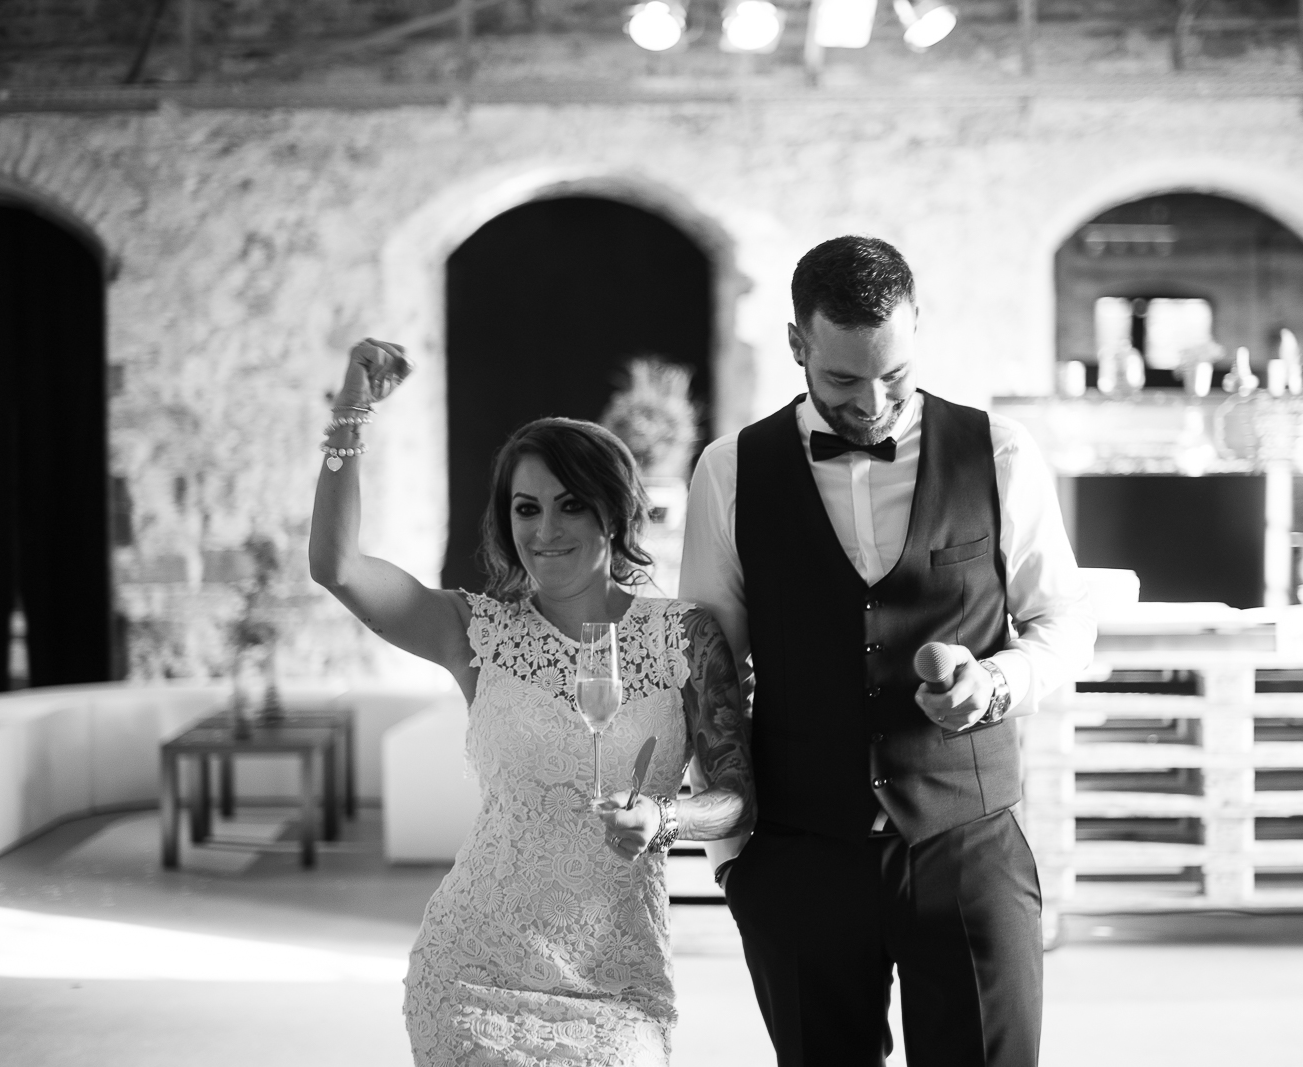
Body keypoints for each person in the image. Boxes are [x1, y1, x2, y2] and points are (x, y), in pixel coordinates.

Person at [681, 236, 1096, 1067]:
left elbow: (1063, 621)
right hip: (799, 856)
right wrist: (732, 860)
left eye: (894, 374)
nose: (873, 402)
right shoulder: (731, 471)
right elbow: (708, 664)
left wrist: (995, 682)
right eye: (843, 379)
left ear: (917, 330)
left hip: (967, 841)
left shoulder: (1001, 453)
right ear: (797, 344)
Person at [309, 339, 753, 1067]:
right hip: (470, 972)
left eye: (571, 504)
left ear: (614, 511)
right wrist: (350, 412)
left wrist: (663, 818)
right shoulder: (474, 632)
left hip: (617, 984)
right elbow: (337, 567)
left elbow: (736, 799)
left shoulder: (684, 635)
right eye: (527, 508)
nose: (546, 531)